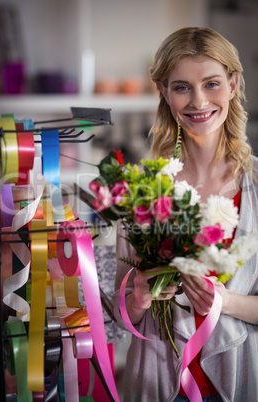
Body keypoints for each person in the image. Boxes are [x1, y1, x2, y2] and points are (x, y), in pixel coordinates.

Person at [111, 27, 258, 402]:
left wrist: (226, 302)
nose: (198, 101)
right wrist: (137, 300)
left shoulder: (255, 183)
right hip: (159, 384)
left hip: (242, 379)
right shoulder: (145, 187)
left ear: (232, 83)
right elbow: (120, 309)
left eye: (211, 84)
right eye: (181, 87)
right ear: (163, 91)